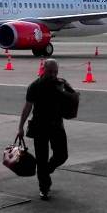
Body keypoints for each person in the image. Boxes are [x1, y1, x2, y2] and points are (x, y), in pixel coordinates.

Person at [17, 59, 70, 200]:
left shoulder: (61, 84)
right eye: (50, 72)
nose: (53, 75)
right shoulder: (34, 86)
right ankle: (44, 188)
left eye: (55, 72)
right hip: (40, 127)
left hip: (57, 126)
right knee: (41, 158)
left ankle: (46, 170)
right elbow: (27, 107)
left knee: (62, 155)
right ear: (43, 70)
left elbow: (72, 98)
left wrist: (70, 93)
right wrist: (20, 127)